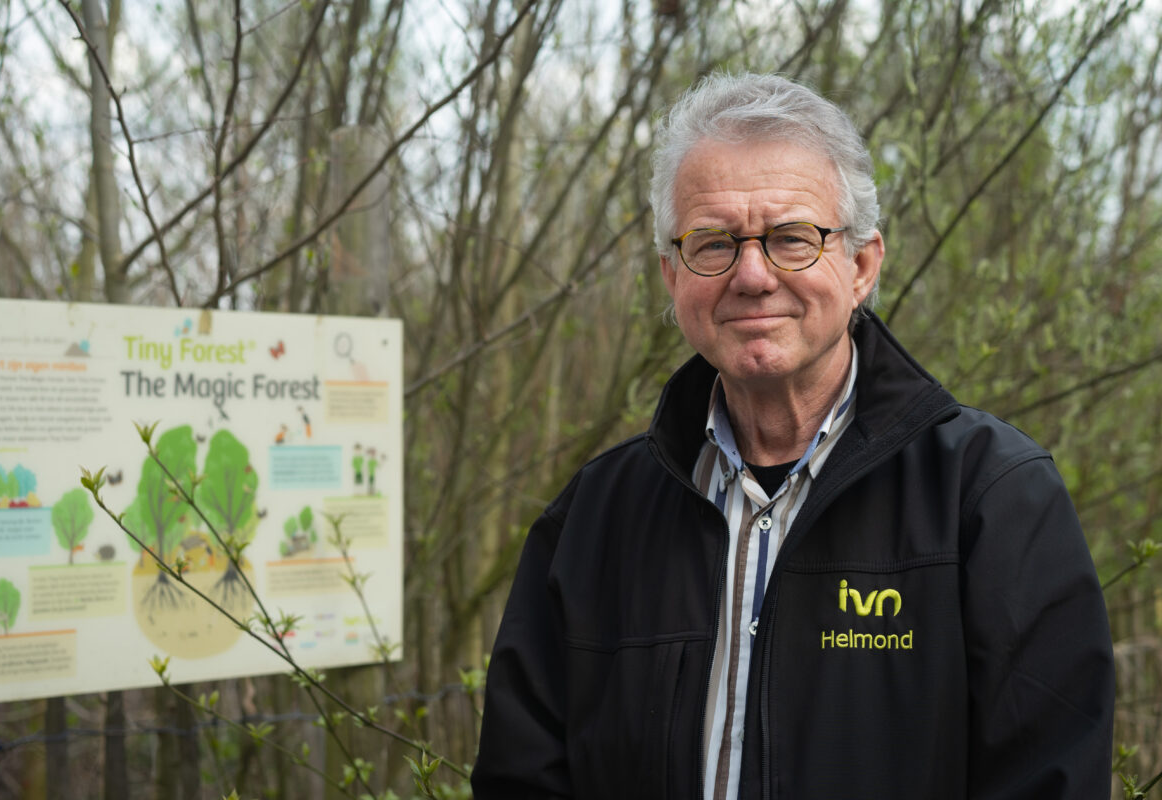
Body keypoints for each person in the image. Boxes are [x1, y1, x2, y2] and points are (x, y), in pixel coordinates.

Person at [470, 72, 1116, 799]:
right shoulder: (592, 520)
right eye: (712, 243)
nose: (752, 275)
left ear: (861, 265)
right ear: (672, 276)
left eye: (792, 239)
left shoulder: (993, 501)